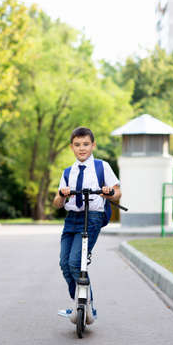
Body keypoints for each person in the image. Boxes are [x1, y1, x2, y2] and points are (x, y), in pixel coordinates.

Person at [53, 126, 121, 323]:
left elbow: (117, 193)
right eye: (77, 145)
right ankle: (78, 303)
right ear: (71, 147)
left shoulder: (102, 167)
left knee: (76, 262)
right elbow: (57, 203)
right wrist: (62, 195)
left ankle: (88, 305)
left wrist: (108, 192)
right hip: (72, 218)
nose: (81, 148)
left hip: (92, 217)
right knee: (65, 264)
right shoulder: (68, 172)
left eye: (85, 144)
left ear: (93, 145)